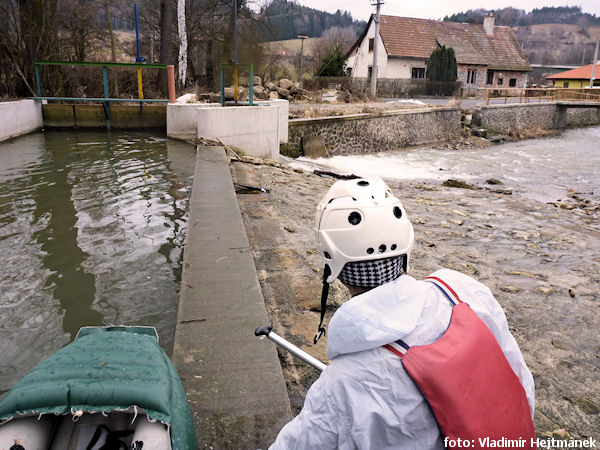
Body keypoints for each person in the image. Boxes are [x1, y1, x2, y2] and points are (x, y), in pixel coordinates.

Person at [270, 177, 535, 450]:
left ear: (332, 263)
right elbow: (521, 388)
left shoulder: (340, 387)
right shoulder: (464, 292)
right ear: (406, 246)